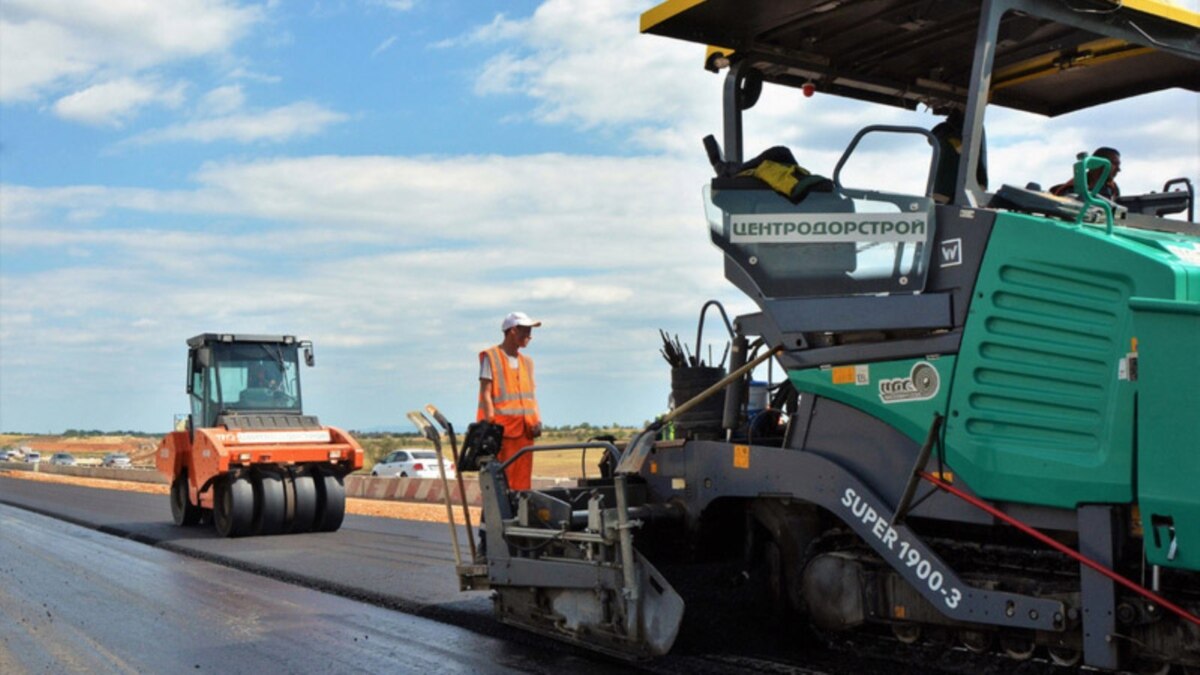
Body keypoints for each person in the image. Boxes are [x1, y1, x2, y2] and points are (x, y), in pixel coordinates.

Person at [478, 311, 543, 491]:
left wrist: (536, 421)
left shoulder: (527, 362)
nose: (529, 336)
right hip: (501, 433)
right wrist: (491, 426)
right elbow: (486, 393)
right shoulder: (491, 357)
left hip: (525, 433)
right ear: (513, 330)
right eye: (526, 331)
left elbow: (531, 396)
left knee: (522, 483)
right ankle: (496, 518)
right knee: (501, 483)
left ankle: (519, 517)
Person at [1049, 147, 1121, 200]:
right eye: (1115, 163)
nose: (1119, 169)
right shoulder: (1071, 190)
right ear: (1097, 163)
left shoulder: (1113, 189)